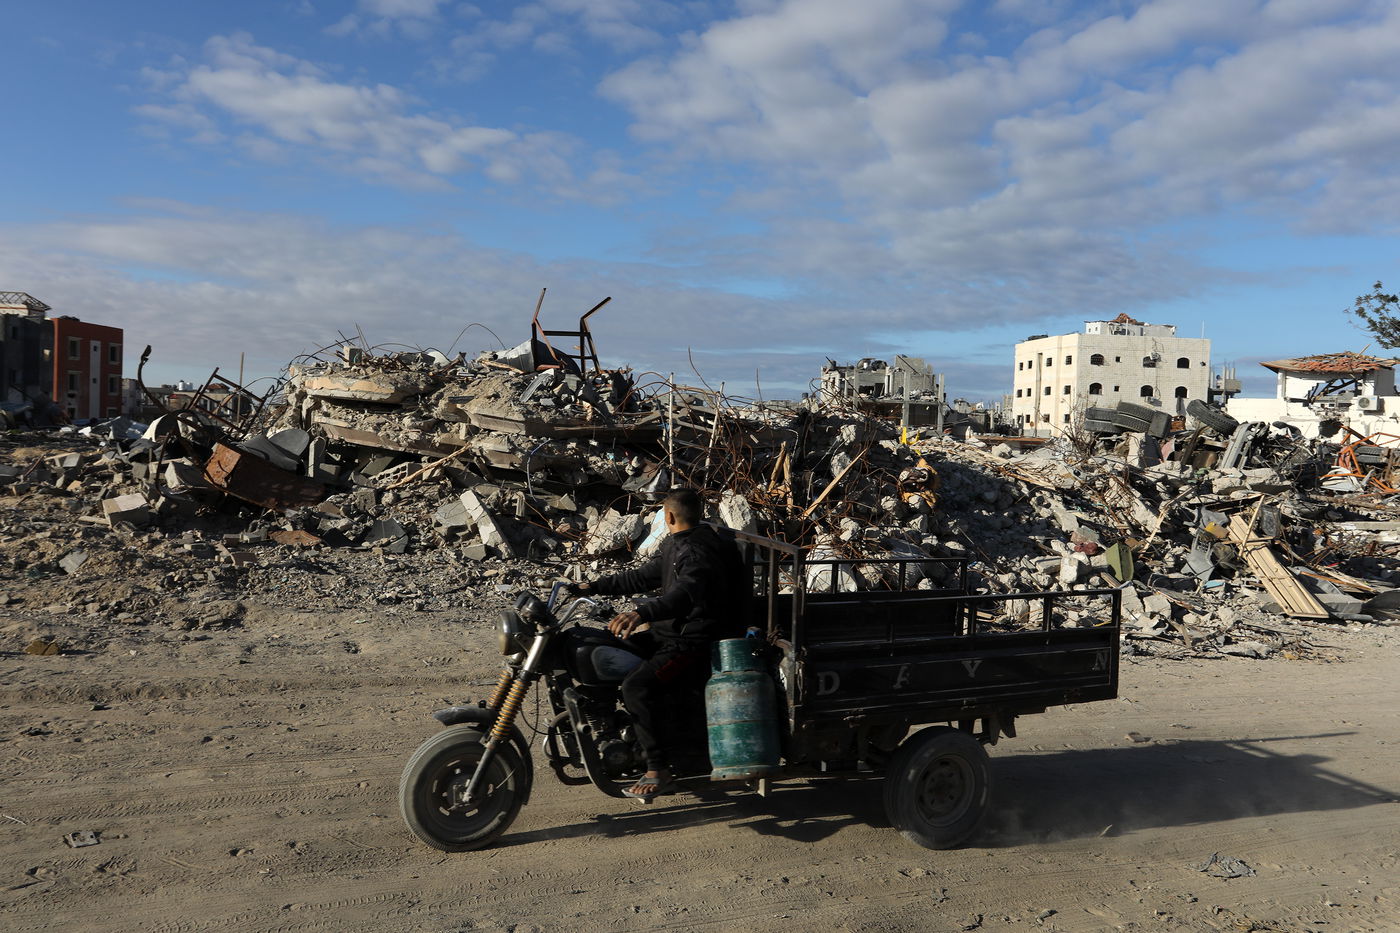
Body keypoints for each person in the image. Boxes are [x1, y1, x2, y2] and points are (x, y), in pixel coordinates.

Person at [574, 488, 749, 799]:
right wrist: (590, 586)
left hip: (692, 641)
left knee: (636, 687)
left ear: (668, 516)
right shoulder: (680, 543)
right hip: (668, 633)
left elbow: (685, 593)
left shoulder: (695, 552)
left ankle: (658, 769)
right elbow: (643, 577)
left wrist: (641, 612)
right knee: (608, 649)